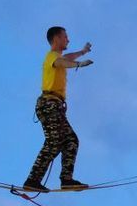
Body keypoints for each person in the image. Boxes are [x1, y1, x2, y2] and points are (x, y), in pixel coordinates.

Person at [23, 26, 93, 192]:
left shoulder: (57, 57)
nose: (68, 40)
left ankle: (66, 179)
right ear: (56, 39)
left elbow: (67, 57)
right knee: (55, 142)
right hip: (49, 105)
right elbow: (62, 61)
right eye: (65, 37)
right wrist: (79, 64)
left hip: (54, 106)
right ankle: (32, 180)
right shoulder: (52, 57)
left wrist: (83, 52)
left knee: (70, 141)